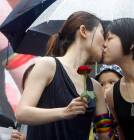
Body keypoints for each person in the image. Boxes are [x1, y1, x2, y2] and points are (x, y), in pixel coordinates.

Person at [15, 11, 110, 140]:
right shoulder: (48, 66)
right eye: (102, 34)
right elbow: (22, 113)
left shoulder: (96, 87)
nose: (105, 44)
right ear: (83, 31)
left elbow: (105, 135)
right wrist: (64, 112)